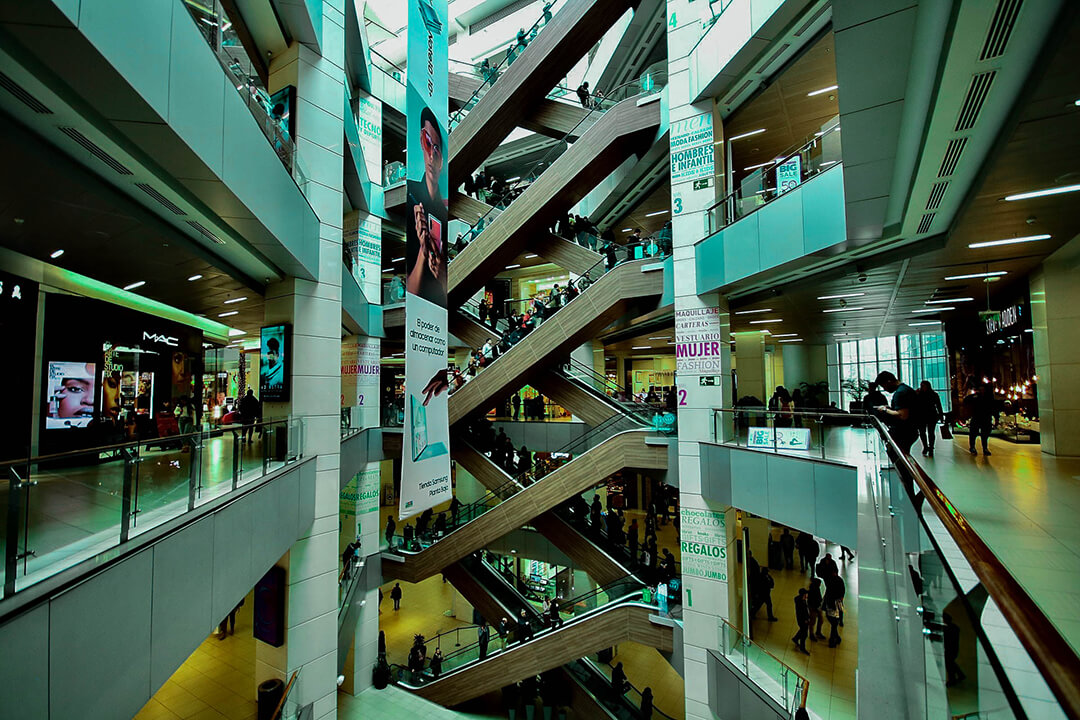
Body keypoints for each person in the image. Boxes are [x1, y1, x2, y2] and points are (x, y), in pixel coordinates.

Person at [406, 107, 449, 306]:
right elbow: (411, 291)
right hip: (419, 313)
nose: (432, 156)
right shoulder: (411, 195)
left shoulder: (444, 211)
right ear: (422, 145)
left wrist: (441, 275)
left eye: (437, 150)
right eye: (427, 142)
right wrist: (423, 254)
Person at [874, 371, 919, 456]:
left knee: (898, 456)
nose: (884, 389)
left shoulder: (900, 393)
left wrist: (885, 410)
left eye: (883, 386)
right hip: (910, 431)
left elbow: (902, 415)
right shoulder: (906, 389)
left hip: (903, 433)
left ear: (889, 381)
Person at [966, 383, 997, 456]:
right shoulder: (975, 397)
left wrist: (996, 417)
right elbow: (966, 400)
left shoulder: (988, 398)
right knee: (973, 433)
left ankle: (985, 448)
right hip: (977, 417)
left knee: (985, 434)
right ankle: (972, 447)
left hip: (986, 417)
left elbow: (993, 407)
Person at [917, 380, 944, 456]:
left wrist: (941, 415)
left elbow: (939, 405)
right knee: (924, 432)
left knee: (930, 432)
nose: (921, 387)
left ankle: (930, 447)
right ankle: (926, 446)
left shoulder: (922, 395)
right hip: (926, 415)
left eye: (923, 386)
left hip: (927, 415)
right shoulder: (932, 394)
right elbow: (938, 405)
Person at [943, 613, 966, 686]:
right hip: (954, 649)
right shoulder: (955, 628)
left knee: (949, 665)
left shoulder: (947, 630)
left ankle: (952, 680)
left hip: (949, 650)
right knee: (951, 663)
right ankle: (960, 675)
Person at [792, 588, 811, 655]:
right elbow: (803, 612)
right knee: (804, 634)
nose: (807, 595)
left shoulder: (801, 600)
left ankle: (796, 638)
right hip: (803, 620)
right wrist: (806, 619)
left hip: (801, 620)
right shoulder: (801, 602)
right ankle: (802, 648)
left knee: (802, 630)